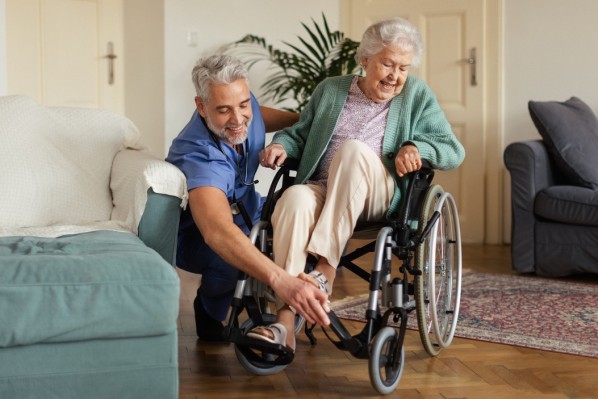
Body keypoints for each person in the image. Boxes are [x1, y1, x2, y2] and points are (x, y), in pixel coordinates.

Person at [248, 17, 465, 353]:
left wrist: (415, 148)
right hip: (324, 188)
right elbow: (299, 134)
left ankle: (326, 268)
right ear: (365, 60)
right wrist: (282, 146)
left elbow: (452, 150)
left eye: (403, 68)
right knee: (293, 199)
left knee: (352, 151)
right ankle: (285, 323)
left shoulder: (417, 95)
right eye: (387, 64)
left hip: (380, 193)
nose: (395, 76)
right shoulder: (331, 89)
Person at [166, 54, 331, 341]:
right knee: (230, 261)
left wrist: (306, 123)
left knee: (302, 215)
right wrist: (282, 281)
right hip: (198, 236)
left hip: (247, 208)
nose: (239, 118)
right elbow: (217, 232)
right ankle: (208, 311)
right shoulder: (200, 156)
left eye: (243, 104)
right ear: (201, 107)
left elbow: (257, 112)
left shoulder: (239, 102)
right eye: (224, 110)